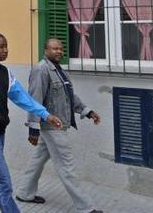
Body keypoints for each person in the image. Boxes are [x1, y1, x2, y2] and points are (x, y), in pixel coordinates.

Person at [0, 32, 64, 213]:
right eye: (1, 47)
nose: (6, 50)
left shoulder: (5, 72)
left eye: (6, 46)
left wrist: (45, 115)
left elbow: (23, 98)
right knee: (2, 183)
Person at [16, 37, 102, 213]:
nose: (59, 52)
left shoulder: (60, 71)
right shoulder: (41, 70)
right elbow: (34, 100)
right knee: (66, 166)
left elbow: (69, 97)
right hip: (52, 126)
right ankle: (86, 207)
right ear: (45, 50)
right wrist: (33, 129)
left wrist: (87, 111)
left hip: (59, 124)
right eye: (54, 49)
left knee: (38, 159)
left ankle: (25, 193)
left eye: (61, 49)